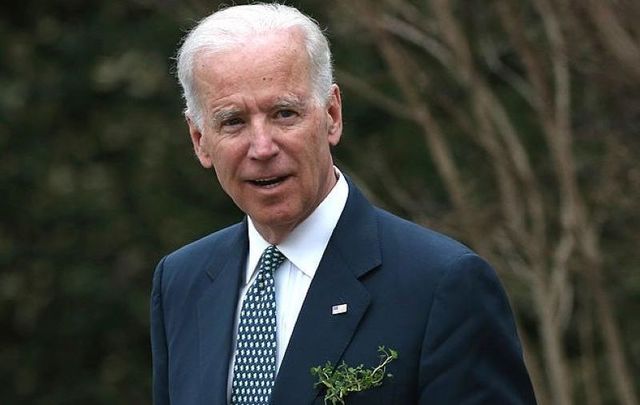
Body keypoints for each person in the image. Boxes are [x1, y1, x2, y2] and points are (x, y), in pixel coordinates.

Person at [150, 3, 536, 405]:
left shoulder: (442, 285)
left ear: (331, 115)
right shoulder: (182, 282)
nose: (262, 147)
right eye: (233, 122)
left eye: (284, 113)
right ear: (199, 140)